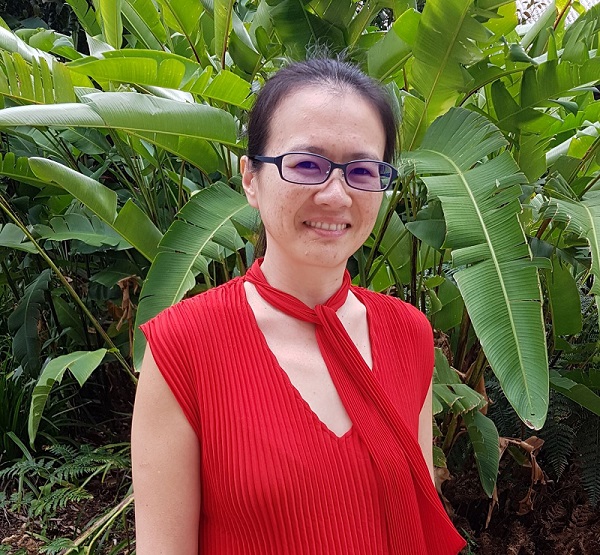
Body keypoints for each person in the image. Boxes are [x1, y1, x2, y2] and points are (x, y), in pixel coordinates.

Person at [131, 57, 466, 555]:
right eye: (306, 164)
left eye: (362, 170)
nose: (336, 195)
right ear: (251, 179)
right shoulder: (185, 347)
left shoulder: (407, 333)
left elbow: (410, 519)